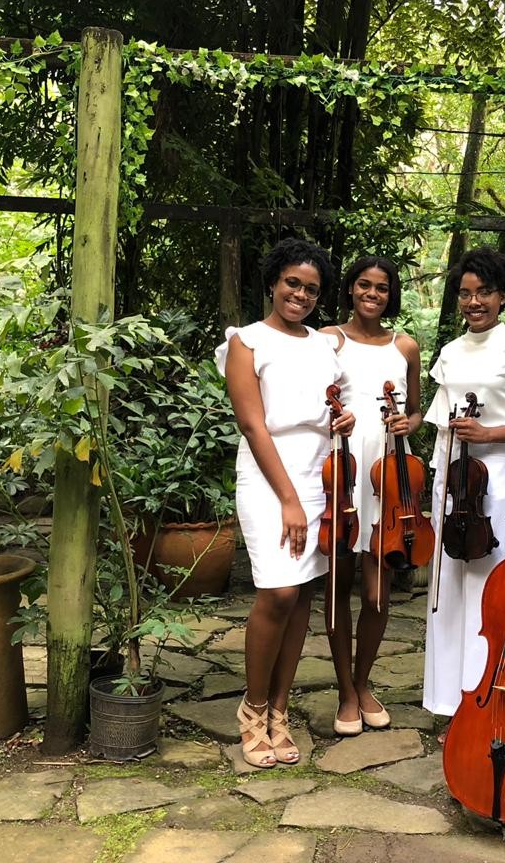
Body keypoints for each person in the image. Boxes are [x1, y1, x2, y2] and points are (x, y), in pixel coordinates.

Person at [217, 238, 354, 769]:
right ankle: (252, 708)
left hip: (319, 473)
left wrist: (344, 419)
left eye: (311, 289)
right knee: (277, 591)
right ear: (273, 283)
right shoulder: (246, 342)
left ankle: (279, 710)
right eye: (292, 283)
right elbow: (253, 425)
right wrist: (290, 500)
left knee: (301, 596)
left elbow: (332, 408)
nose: (300, 294)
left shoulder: (325, 346)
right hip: (268, 475)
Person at [422, 248, 505, 729]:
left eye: (484, 292)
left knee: (489, 586)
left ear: (502, 296)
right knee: (448, 585)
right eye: (466, 293)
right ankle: (448, 698)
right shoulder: (450, 351)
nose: (474, 302)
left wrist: (489, 433)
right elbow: (439, 420)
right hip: (454, 479)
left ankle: (485, 698)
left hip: (499, 477)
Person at [320, 256, 422, 736]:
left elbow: (416, 411)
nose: (373, 294)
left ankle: (363, 684)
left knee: (378, 593)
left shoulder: (406, 346)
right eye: (364, 284)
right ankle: (345, 691)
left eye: (382, 288)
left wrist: (407, 423)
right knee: (339, 585)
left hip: (390, 470)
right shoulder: (327, 339)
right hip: (344, 467)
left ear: (391, 294)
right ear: (350, 288)